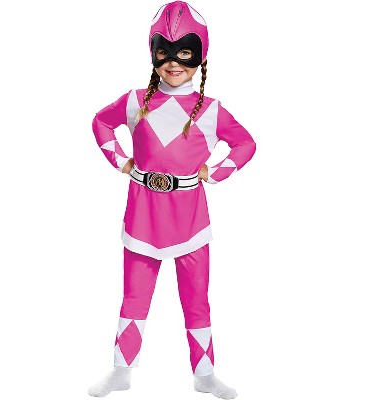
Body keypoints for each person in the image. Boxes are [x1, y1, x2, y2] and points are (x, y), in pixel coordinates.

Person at [88, 1, 256, 399]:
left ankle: (205, 375)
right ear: (153, 54)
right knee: (134, 297)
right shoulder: (135, 101)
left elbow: (246, 144)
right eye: (164, 53)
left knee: (197, 301)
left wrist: (216, 172)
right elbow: (101, 122)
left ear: (200, 57)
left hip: (191, 220)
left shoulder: (211, 111)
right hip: (143, 217)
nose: (174, 63)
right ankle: (121, 371)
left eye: (185, 54)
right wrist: (121, 162)